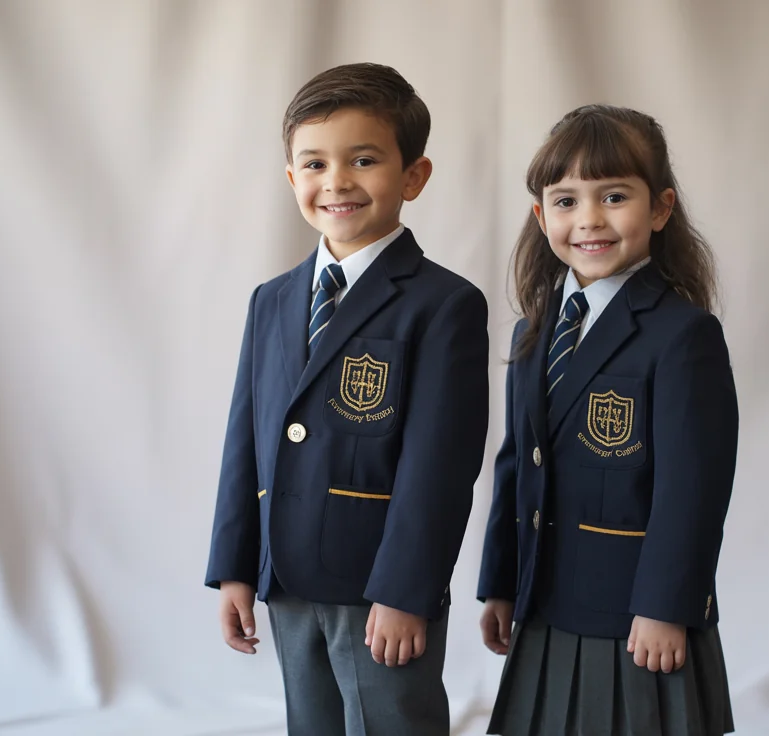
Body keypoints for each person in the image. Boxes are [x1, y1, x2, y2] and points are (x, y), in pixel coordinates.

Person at [205, 62, 489, 736]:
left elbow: (440, 465)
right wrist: (235, 567)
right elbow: (246, 439)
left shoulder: (443, 304)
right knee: (314, 724)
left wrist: (404, 589)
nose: (336, 181)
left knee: (392, 722)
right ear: (292, 179)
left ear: (413, 176)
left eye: (364, 159)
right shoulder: (271, 301)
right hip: (285, 571)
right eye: (314, 164)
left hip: (378, 583)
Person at [478, 104, 738, 735]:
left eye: (613, 196)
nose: (589, 220)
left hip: (634, 615)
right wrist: (501, 582)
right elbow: (517, 464)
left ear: (660, 208)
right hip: (546, 600)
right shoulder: (535, 331)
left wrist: (664, 607)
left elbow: (692, 489)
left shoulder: (683, 335)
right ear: (542, 216)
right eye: (565, 201)